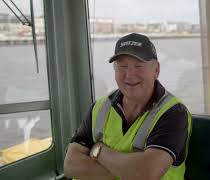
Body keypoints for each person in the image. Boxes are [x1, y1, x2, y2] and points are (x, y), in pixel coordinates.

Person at [64, 33, 192, 180]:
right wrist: (125, 170)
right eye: (122, 67)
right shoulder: (100, 107)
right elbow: (70, 165)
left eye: (138, 66)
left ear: (156, 70)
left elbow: (145, 174)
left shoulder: (173, 113)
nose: (130, 75)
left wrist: (98, 150)